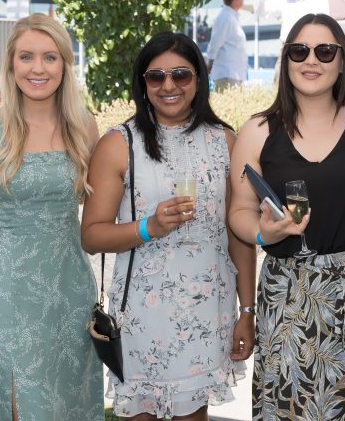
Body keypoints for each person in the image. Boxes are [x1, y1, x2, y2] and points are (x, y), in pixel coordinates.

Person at [80, 31, 256, 421]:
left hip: (208, 314)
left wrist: (247, 309)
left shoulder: (225, 141)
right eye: (155, 77)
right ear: (143, 84)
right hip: (143, 316)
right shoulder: (118, 143)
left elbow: (238, 234)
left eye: (181, 74)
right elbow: (91, 235)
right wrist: (149, 227)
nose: (169, 86)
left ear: (198, 80)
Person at [0, 13, 103, 420]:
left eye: (49, 57)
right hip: (2, 289)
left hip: (67, 289)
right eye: (26, 57)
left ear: (64, 64)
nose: (37, 68)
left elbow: (97, 207)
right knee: (14, 405)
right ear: (11, 64)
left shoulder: (84, 128)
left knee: (62, 404)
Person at [229, 13, 345, 420]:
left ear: (341, 62)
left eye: (325, 50)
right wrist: (263, 232)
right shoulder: (258, 131)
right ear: (286, 61)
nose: (311, 60)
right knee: (290, 409)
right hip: (288, 297)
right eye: (299, 50)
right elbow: (239, 211)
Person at [254, 0, 329, 83]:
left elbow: (325, 26)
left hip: (309, 50)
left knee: (305, 85)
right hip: (286, 48)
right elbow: (262, 12)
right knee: (279, 83)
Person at [207, 0, 248, 92]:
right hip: (226, 74)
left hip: (234, 74)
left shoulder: (231, 16)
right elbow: (215, 43)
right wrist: (209, 64)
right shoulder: (225, 17)